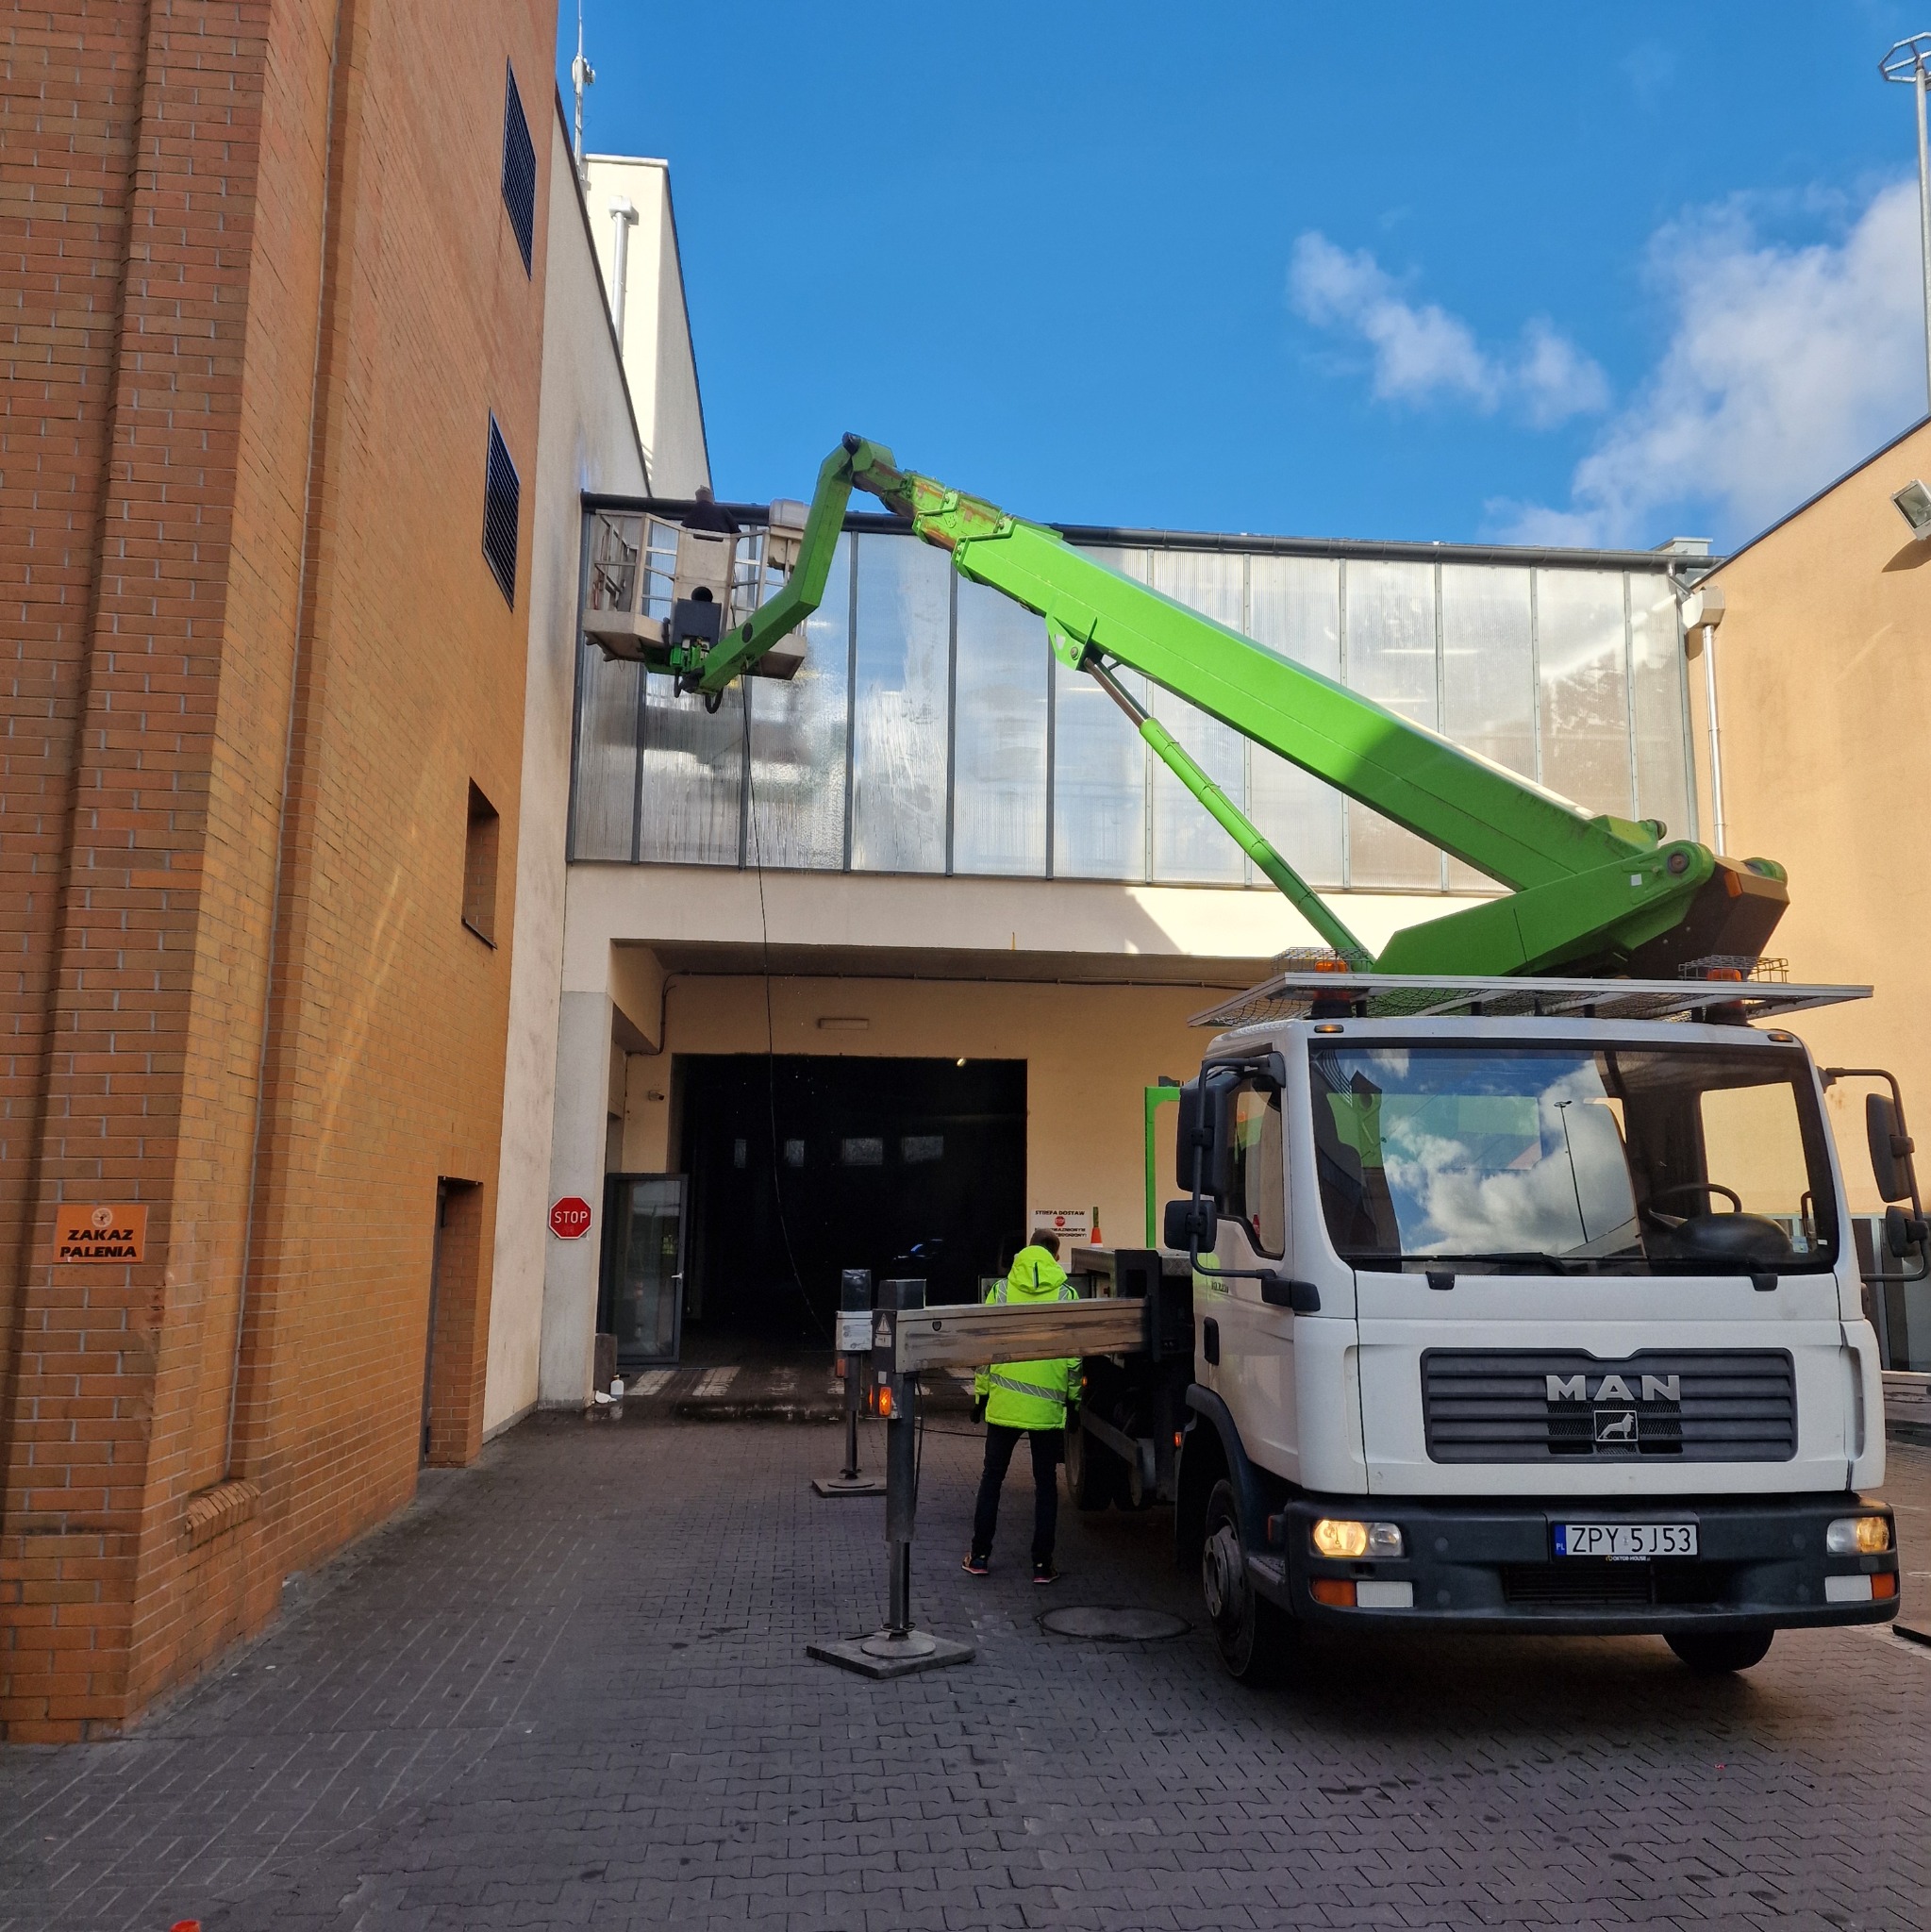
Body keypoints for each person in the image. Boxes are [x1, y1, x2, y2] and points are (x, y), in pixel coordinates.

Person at [962, 1231, 1080, 1585]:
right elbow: (1074, 1358)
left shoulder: (999, 1292)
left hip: (1004, 1403)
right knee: (1045, 1486)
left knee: (992, 1480)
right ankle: (1042, 1566)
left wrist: (981, 1395)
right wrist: (1073, 1401)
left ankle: (980, 1556)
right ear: (1054, 1256)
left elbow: (984, 1350)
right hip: (1046, 1409)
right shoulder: (1066, 1294)